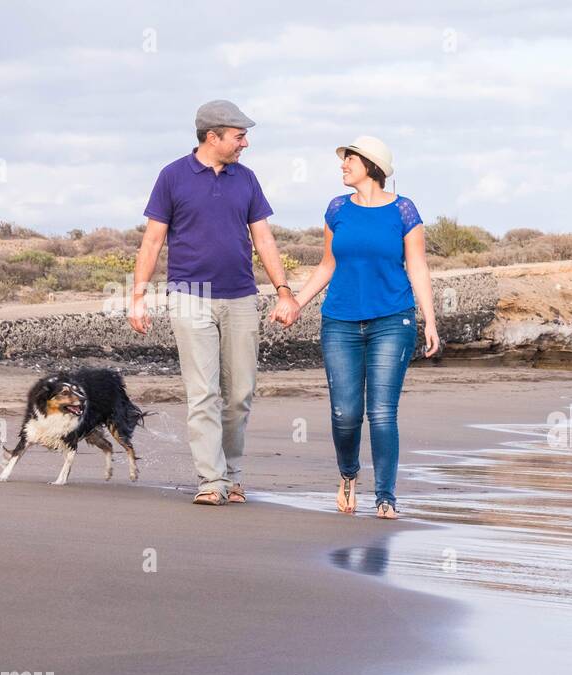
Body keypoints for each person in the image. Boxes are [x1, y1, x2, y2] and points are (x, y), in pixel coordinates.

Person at [127, 99, 299, 505]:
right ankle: (211, 479)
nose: (246, 144)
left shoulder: (247, 179)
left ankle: (233, 474)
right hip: (190, 295)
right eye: (239, 136)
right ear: (212, 136)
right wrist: (138, 296)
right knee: (203, 393)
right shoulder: (172, 176)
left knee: (239, 394)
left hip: (241, 295)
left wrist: (283, 290)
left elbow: (264, 238)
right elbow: (152, 240)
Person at [289, 136, 440, 518]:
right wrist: (294, 302)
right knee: (345, 413)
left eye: (350, 159)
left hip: (393, 319)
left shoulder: (404, 211)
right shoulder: (337, 209)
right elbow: (327, 264)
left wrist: (430, 320)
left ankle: (385, 497)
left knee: (382, 412)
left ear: (371, 166)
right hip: (340, 321)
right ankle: (348, 474)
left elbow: (417, 266)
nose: (343, 165)